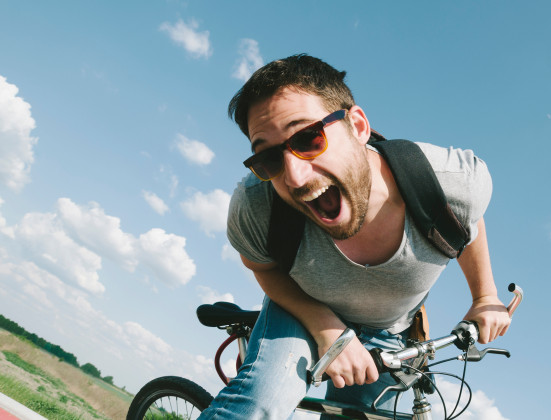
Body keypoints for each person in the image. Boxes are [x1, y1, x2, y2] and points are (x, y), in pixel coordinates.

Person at [197, 54, 511, 419]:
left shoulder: (453, 181)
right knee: (261, 404)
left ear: (358, 126)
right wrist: (326, 327)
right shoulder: (257, 203)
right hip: (302, 312)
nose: (295, 177)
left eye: (308, 138)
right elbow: (261, 266)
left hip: (390, 331)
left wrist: (485, 296)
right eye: (269, 159)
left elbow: (466, 221)